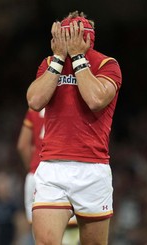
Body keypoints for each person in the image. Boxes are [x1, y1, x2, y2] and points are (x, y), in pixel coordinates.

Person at [26, 10, 122, 245]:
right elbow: (34, 101)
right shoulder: (49, 64)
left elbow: (96, 99)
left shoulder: (108, 65)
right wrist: (58, 60)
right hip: (52, 167)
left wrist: (78, 58)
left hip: (92, 168)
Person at [17, 108, 79, 244]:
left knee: (40, 237)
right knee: (70, 234)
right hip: (63, 173)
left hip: (35, 177)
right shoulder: (70, 106)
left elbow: (22, 145)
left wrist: (34, 167)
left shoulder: (35, 107)